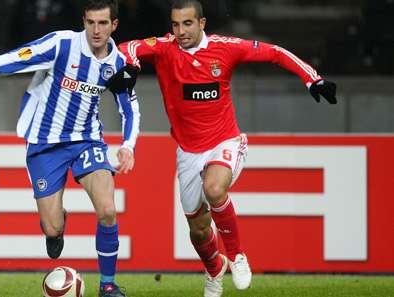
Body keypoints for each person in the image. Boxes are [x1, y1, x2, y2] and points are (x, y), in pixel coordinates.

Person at [108, 0, 337, 296]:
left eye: (187, 24)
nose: (180, 31)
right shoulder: (165, 48)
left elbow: (275, 53)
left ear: (201, 23)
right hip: (188, 151)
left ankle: (238, 255)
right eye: (175, 24)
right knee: (199, 230)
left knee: (214, 189)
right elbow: (126, 49)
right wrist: (132, 66)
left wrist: (312, 79)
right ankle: (215, 268)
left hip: (225, 141)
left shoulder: (226, 48)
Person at [0, 1, 139, 296]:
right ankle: (58, 223)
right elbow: (11, 60)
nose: (96, 30)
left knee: (108, 209)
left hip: (87, 140)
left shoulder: (119, 64)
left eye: (103, 23)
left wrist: (128, 146)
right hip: (46, 144)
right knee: (52, 229)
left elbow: (130, 109)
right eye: (91, 22)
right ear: (83, 20)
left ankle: (107, 285)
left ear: (114, 25)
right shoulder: (60, 45)